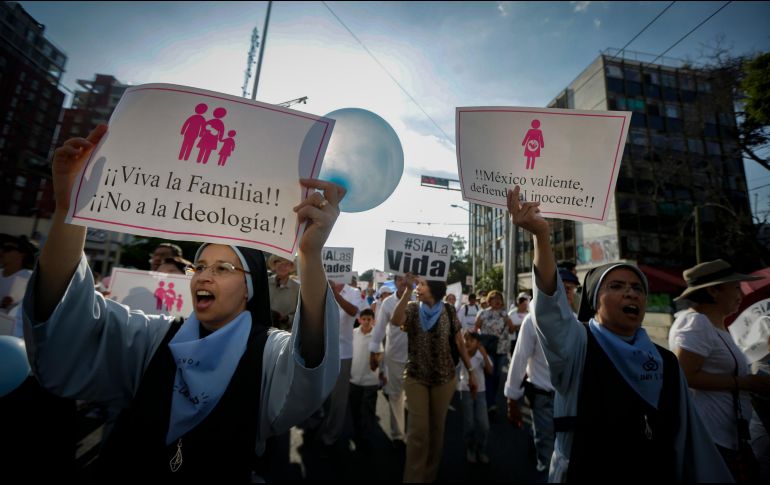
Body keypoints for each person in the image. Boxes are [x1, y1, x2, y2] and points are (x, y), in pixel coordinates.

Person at [22, 125, 345, 482]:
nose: (204, 276)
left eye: (223, 268)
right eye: (201, 266)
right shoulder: (153, 338)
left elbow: (310, 360)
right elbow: (68, 321)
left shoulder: (269, 354)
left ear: (249, 289)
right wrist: (71, 210)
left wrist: (310, 254)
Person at [506, 185, 732, 482]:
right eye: (616, 286)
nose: (631, 293)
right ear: (593, 302)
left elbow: (691, 445)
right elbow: (550, 309)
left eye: (637, 288)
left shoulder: (666, 362)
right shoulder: (578, 346)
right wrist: (541, 236)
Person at [668, 259, 770, 482]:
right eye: (735, 288)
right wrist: (746, 383)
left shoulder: (716, 327)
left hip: (727, 437)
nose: (740, 295)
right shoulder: (696, 323)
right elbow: (685, 375)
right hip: (710, 438)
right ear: (714, 291)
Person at [391, 273, 477, 482]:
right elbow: (395, 320)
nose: (418, 288)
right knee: (418, 432)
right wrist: (408, 289)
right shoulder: (411, 308)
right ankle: (412, 478)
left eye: (422, 285)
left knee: (437, 430)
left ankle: (429, 476)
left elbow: (458, 342)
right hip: (415, 376)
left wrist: (471, 371)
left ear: (435, 289)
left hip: (444, 378)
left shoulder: (448, 310)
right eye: (418, 284)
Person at [505, 268, 578, 477]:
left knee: (565, 455)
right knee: (547, 456)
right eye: (564, 289)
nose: (569, 294)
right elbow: (519, 359)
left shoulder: (575, 322)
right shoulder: (533, 320)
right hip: (543, 398)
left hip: (568, 400)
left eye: (571, 289)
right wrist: (512, 399)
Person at [369, 275, 411, 445]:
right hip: (394, 356)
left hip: (417, 357)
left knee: (416, 399)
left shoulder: (420, 299)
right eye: (400, 279)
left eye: (406, 278)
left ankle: (415, 435)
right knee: (395, 395)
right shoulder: (387, 303)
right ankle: (398, 435)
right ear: (395, 283)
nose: (403, 282)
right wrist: (373, 353)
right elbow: (378, 330)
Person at [474, 289, 516, 413]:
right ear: (489, 300)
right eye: (494, 298)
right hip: (487, 349)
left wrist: (508, 321)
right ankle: (490, 402)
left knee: (498, 375)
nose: (497, 301)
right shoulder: (483, 313)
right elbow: (476, 328)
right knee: (490, 373)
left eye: (499, 298)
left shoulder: (505, 314)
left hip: (502, 349)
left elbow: (512, 330)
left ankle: (490, 397)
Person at [349, 308, 384, 451]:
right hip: (354, 378)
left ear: (373, 321)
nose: (366, 322)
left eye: (369, 319)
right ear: (359, 320)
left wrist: (378, 361)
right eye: (364, 319)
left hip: (371, 380)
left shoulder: (376, 334)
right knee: (355, 408)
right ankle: (358, 432)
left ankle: (366, 437)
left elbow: (380, 353)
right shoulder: (353, 334)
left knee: (368, 410)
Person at [457, 330, 493, 465]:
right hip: (465, 391)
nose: (467, 342)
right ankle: (470, 448)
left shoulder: (480, 355)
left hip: (480, 392)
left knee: (484, 425)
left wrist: (484, 355)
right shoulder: (461, 354)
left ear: (478, 343)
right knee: (469, 424)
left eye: (471, 340)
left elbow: (490, 371)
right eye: (465, 339)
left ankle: (481, 449)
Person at [0, 235, 36, 313]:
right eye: (1, 247)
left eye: (8, 249)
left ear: (22, 254)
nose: (1, 251)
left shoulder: (29, 279)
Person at [266, 255, 301, 330]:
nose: (282, 266)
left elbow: (299, 313)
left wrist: (286, 318)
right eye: (279, 263)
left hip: (285, 334)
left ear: (291, 267)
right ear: (274, 266)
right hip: (264, 330)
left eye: (286, 264)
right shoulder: (265, 283)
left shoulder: (297, 288)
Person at [508, 291, 530, 355]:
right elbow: (509, 328)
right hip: (514, 340)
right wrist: (519, 327)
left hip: (526, 340)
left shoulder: (530, 314)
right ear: (519, 303)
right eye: (523, 302)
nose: (525, 305)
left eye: (526, 302)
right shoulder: (512, 314)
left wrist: (518, 327)